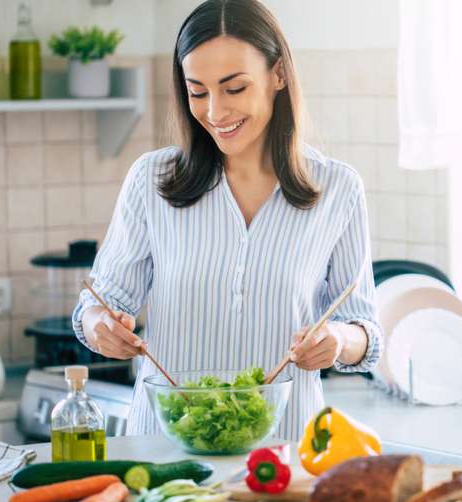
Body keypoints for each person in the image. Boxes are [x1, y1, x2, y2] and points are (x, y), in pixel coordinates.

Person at [72, 0, 382, 440]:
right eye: (198, 93)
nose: (216, 113)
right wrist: (100, 327)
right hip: (167, 450)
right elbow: (98, 304)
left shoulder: (338, 189)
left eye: (234, 88)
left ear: (278, 74)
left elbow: (366, 331)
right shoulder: (151, 180)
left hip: (282, 453)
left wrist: (340, 340)